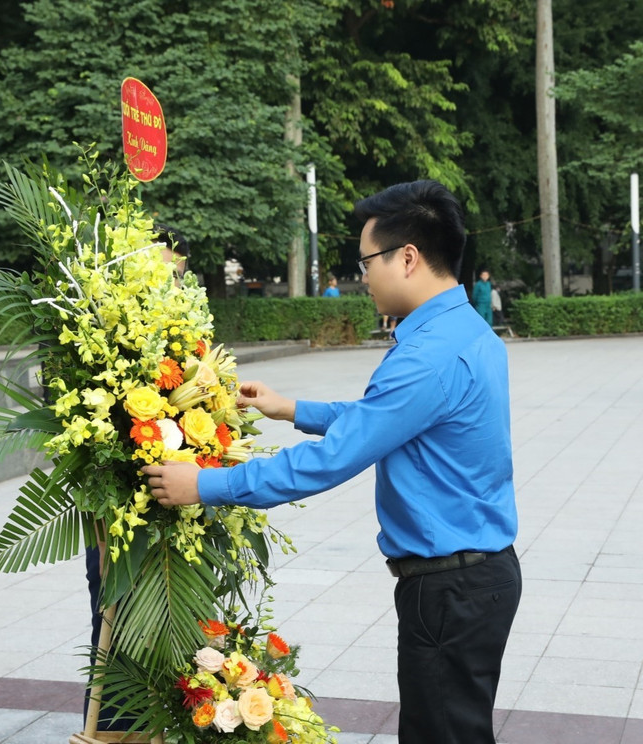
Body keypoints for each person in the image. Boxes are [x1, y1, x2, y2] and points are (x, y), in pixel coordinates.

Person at [144, 180, 521, 744]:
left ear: (409, 258)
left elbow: (330, 462)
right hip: (475, 576)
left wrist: (206, 484)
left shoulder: (426, 356)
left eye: (367, 260)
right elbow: (389, 417)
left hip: (450, 589)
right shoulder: (464, 331)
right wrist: (291, 407)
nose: (362, 275)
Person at [82, 222, 190, 733]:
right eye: (159, 275)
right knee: (116, 633)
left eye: (177, 277)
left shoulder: (187, 337)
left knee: (178, 630)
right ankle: (116, 730)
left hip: (182, 514)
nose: (168, 287)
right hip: (118, 519)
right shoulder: (102, 332)